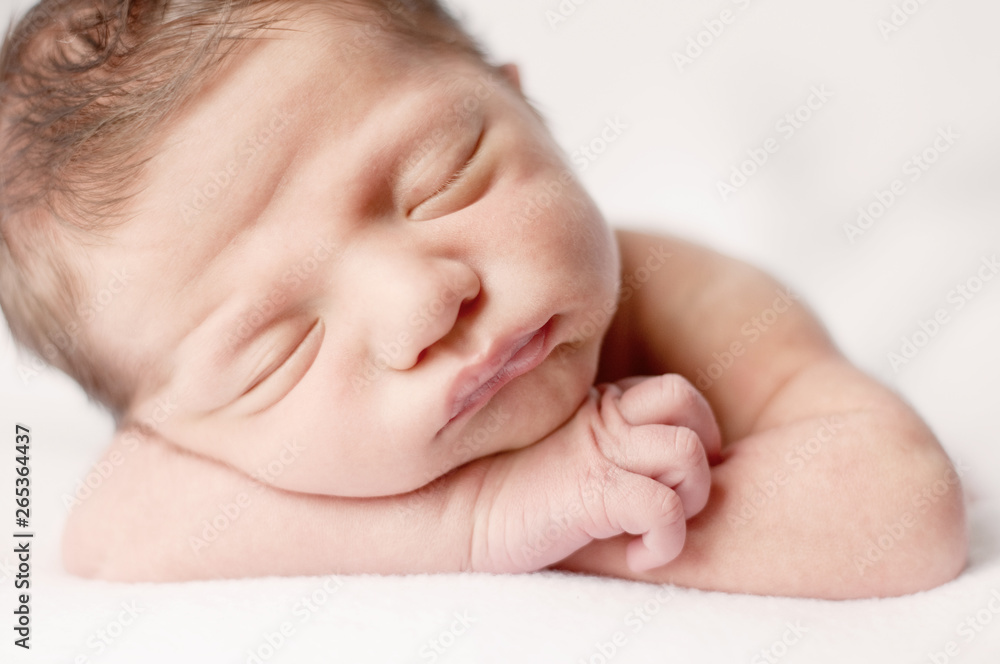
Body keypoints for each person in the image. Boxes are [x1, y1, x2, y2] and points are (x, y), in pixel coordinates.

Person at [0, 0, 966, 598]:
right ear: (174, 427)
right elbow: (108, 526)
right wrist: (491, 518)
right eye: (276, 351)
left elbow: (904, 504)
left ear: (527, 109)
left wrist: (595, 516)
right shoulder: (174, 468)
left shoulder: (676, 295)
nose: (422, 304)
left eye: (442, 179)